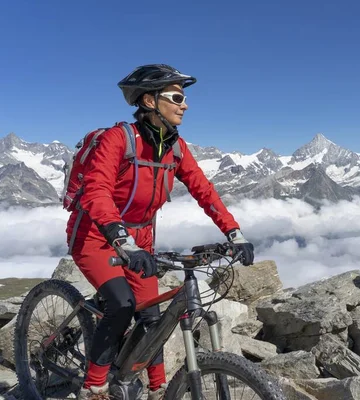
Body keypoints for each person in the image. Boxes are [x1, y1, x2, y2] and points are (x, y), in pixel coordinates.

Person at [66, 64, 255, 400]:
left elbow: (204, 190)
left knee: (151, 315)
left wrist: (234, 233)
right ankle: (94, 386)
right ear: (150, 101)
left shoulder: (175, 147)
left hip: (141, 239)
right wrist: (120, 239)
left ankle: (157, 390)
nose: (185, 105)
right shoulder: (118, 139)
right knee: (122, 305)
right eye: (177, 97)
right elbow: (96, 191)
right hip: (95, 234)